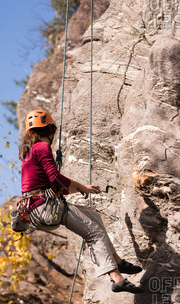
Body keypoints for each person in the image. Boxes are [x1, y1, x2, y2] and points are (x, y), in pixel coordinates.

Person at [19, 109, 144, 294]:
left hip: (37, 208)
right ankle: (117, 278)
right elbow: (55, 179)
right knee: (94, 233)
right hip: (45, 207)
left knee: (93, 215)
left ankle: (117, 260)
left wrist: (81, 188)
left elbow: (48, 185)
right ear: (51, 129)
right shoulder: (42, 148)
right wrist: (81, 187)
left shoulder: (29, 152)